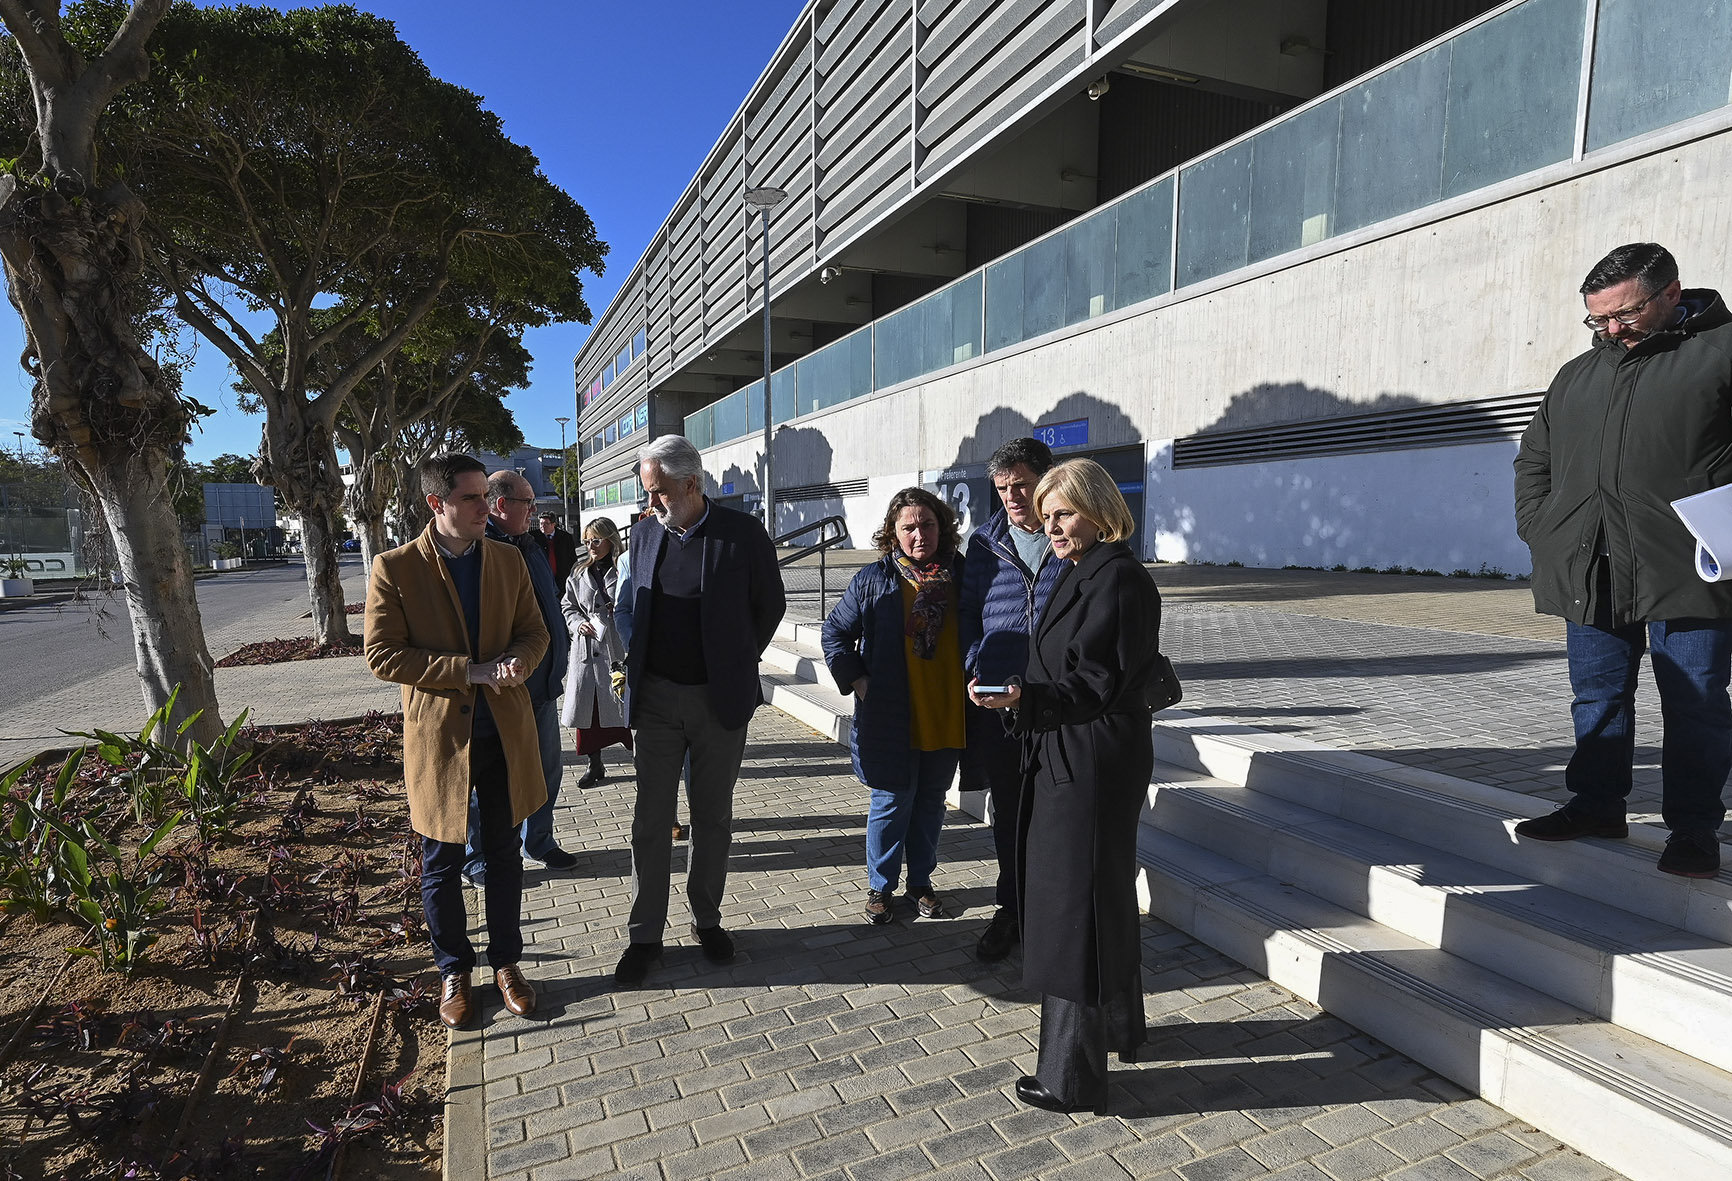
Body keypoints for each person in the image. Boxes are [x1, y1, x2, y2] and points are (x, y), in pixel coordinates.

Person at [1514, 243, 1732, 879]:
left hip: (1690, 567)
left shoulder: (1720, 355)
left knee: (1695, 704)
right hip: (1590, 567)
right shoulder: (1578, 375)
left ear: (1670, 293)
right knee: (1597, 696)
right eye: (1598, 319)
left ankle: (1693, 829)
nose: (1611, 331)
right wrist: (1541, 529)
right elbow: (1535, 460)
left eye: (1625, 314)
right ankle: (1596, 804)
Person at [971, 457, 1162, 1116]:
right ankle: (1117, 1029)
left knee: (1072, 912)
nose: (1051, 526)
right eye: (1046, 515)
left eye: (1064, 513)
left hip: (1088, 762)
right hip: (1077, 754)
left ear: (1100, 508)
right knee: (1092, 900)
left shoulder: (1119, 579)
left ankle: (1070, 1077)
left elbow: (1093, 685)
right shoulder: (1087, 570)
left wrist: (1024, 697)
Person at [364, 453, 549, 1029]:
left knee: (502, 855)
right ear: (435, 504)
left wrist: (520, 659)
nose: (486, 508)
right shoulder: (394, 568)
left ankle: (508, 964)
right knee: (441, 861)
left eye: (487, 497)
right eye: (472, 498)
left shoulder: (507, 560)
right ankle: (453, 971)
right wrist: (469, 671)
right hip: (440, 740)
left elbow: (535, 632)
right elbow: (382, 655)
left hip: (502, 735)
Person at [610, 434, 785, 987]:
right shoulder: (641, 535)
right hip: (657, 699)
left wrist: (734, 660)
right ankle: (646, 934)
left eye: (657, 492)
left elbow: (771, 605)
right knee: (651, 821)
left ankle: (706, 919)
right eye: (648, 493)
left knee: (712, 818)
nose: (650, 502)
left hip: (718, 700)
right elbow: (628, 608)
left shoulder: (741, 534)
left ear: (690, 484)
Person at [822, 487, 967, 926]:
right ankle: (880, 887)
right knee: (891, 800)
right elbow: (835, 634)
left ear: (942, 527)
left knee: (931, 802)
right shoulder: (874, 579)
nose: (919, 534)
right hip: (892, 714)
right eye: (909, 527)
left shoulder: (965, 574)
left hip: (947, 710)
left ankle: (920, 883)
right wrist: (860, 681)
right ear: (893, 533)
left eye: (927, 524)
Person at [959, 436, 1066, 961]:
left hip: (1060, 705)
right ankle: (1012, 909)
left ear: (1046, 479)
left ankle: (1054, 913)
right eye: (1001, 489)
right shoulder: (984, 543)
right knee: (1009, 813)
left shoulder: (1071, 534)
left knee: (1057, 814)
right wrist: (974, 666)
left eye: (1020, 485)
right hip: (1001, 707)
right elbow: (968, 614)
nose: (1011, 497)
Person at [463, 471, 574, 875]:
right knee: (486, 779)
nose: (534, 511)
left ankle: (538, 842)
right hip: (502, 690)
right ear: (500, 505)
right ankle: (477, 858)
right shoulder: (481, 548)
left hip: (541, 685)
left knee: (546, 769)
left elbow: (546, 611)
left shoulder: (530, 545)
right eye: (527, 503)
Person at [561, 517, 632, 788]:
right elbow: (567, 606)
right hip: (587, 649)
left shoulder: (625, 566)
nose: (591, 545)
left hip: (616, 644)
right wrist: (579, 624)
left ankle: (640, 756)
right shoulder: (578, 572)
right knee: (588, 711)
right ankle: (595, 763)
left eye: (596, 540)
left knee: (623, 703)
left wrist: (621, 611)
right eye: (587, 540)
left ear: (610, 539)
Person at [539, 512, 579, 584]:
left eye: (546, 523)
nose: (543, 526)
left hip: (562, 578)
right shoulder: (534, 537)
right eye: (541, 523)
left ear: (553, 524)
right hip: (542, 579)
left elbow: (572, 558)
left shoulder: (566, 537)